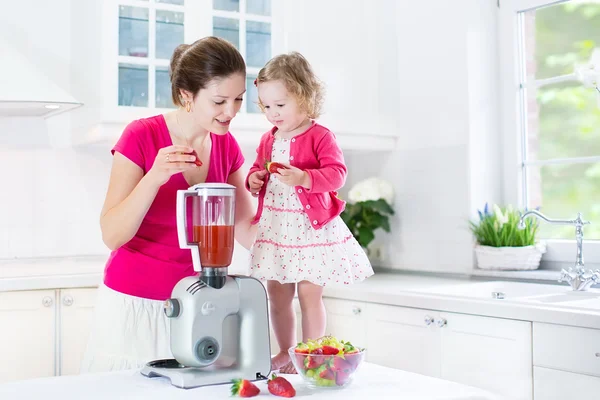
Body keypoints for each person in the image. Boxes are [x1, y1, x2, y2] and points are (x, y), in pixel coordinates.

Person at [81, 36, 256, 373]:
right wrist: (154, 177)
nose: (231, 111)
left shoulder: (226, 146)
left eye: (238, 99)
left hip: (199, 306)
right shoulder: (141, 136)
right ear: (186, 96)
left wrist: (298, 229)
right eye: (220, 100)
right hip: (135, 308)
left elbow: (246, 229)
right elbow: (112, 234)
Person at [246, 52, 374, 373]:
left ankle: (310, 353)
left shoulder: (320, 135)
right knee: (277, 295)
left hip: (309, 230)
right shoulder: (268, 139)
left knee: (308, 294)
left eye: (280, 105)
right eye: (266, 106)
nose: (273, 113)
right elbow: (256, 169)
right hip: (277, 229)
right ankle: (286, 351)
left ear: (304, 96)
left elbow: (337, 174)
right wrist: (254, 178)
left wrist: (304, 177)